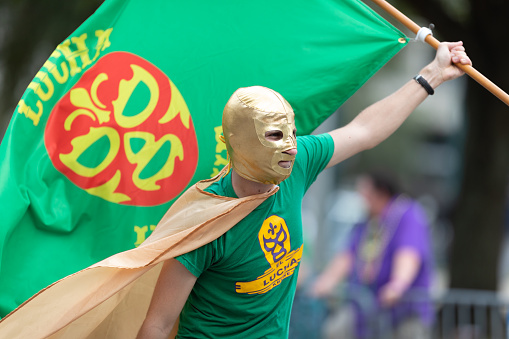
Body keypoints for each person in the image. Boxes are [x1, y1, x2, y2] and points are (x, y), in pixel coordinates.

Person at [136, 42, 471, 339]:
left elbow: (365, 130)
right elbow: (157, 325)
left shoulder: (298, 166)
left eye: (293, 132)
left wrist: (433, 74)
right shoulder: (203, 222)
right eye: (275, 136)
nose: (292, 147)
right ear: (240, 140)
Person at [311, 170, 434, 339]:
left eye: (365, 193)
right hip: (368, 310)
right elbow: (347, 255)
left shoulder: (407, 214)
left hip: (405, 311)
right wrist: (325, 282)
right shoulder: (368, 222)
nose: (361, 199)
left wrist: (398, 285)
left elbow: (409, 253)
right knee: (334, 331)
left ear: (381, 193)